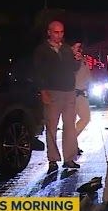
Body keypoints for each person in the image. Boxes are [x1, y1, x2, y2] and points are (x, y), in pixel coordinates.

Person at [33, 20, 82, 172]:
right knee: (52, 127)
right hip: (52, 92)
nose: (59, 35)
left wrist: (77, 59)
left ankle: (69, 158)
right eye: (56, 32)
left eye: (61, 32)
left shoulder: (66, 49)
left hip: (69, 91)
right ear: (49, 32)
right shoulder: (42, 50)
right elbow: (38, 72)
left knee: (69, 127)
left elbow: (73, 68)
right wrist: (43, 91)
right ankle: (53, 159)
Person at [72, 40, 92, 155]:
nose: (79, 50)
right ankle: (72, 144)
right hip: (73, 94)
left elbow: (88, 74)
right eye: (77, 47)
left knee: (86, 118)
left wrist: (91, 85)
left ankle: (72, 141)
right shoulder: (69, 61)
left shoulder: (83, 59)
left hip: (82, 93)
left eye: (81, 48)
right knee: (71, 121)